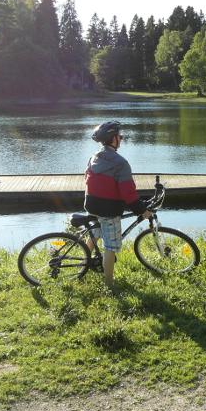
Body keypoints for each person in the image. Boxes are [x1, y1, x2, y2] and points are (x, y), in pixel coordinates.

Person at [84, 121, 151, 288]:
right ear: (113, 139)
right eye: (119, 136)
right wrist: (142, 210)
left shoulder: (94, 157)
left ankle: (83, 265)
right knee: (110, 246)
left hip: (92, 205)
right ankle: (109, 284)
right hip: (108, 209)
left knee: (95, 234)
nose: (121, 139)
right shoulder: (120, 163)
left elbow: (88, 179)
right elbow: (127, 192)